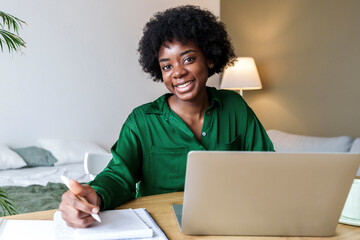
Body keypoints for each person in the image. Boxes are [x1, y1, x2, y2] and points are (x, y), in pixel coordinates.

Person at [59, 5, 274, 228]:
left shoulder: (235, 107)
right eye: (167, 66)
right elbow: (118, 176)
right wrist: (94, 195)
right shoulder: (142, 121)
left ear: (209, 59)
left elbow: (267, 165)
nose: (178, 72)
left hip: (228, 221)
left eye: (188, 59)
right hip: (160, 226)